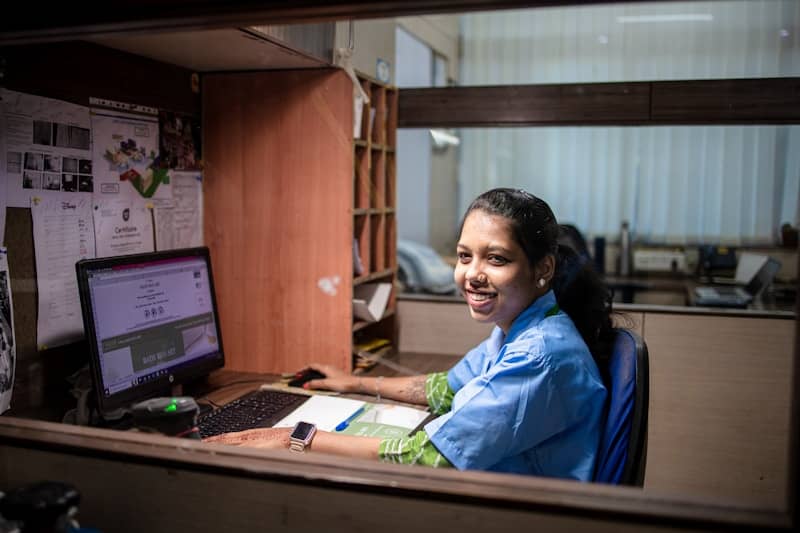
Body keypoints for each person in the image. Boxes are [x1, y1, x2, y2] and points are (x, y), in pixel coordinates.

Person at [204, 188, 613, 480]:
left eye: (496, 259)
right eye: (464, 256)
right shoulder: (522, 330)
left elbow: (427, 458)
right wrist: (355, 383)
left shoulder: (539, 355)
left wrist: (294, 438)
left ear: (542, 269)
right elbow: (446, 389)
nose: (472, 275)